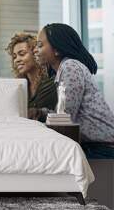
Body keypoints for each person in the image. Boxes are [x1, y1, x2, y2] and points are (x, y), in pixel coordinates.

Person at [35, 23, 114, 158]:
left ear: (57, 50)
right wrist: (40, 113)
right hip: (95, 145)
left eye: (40, 45)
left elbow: (65, 118)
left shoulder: (70, 67)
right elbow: (64, 114)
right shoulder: (63, 70)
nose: (35, 50)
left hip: (102, 148)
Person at [6, 33, 57, 122]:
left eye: (22, 54)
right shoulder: (20, 85)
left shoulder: (52, 81)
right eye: (14, 57)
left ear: (35, 54)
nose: (17, 60)